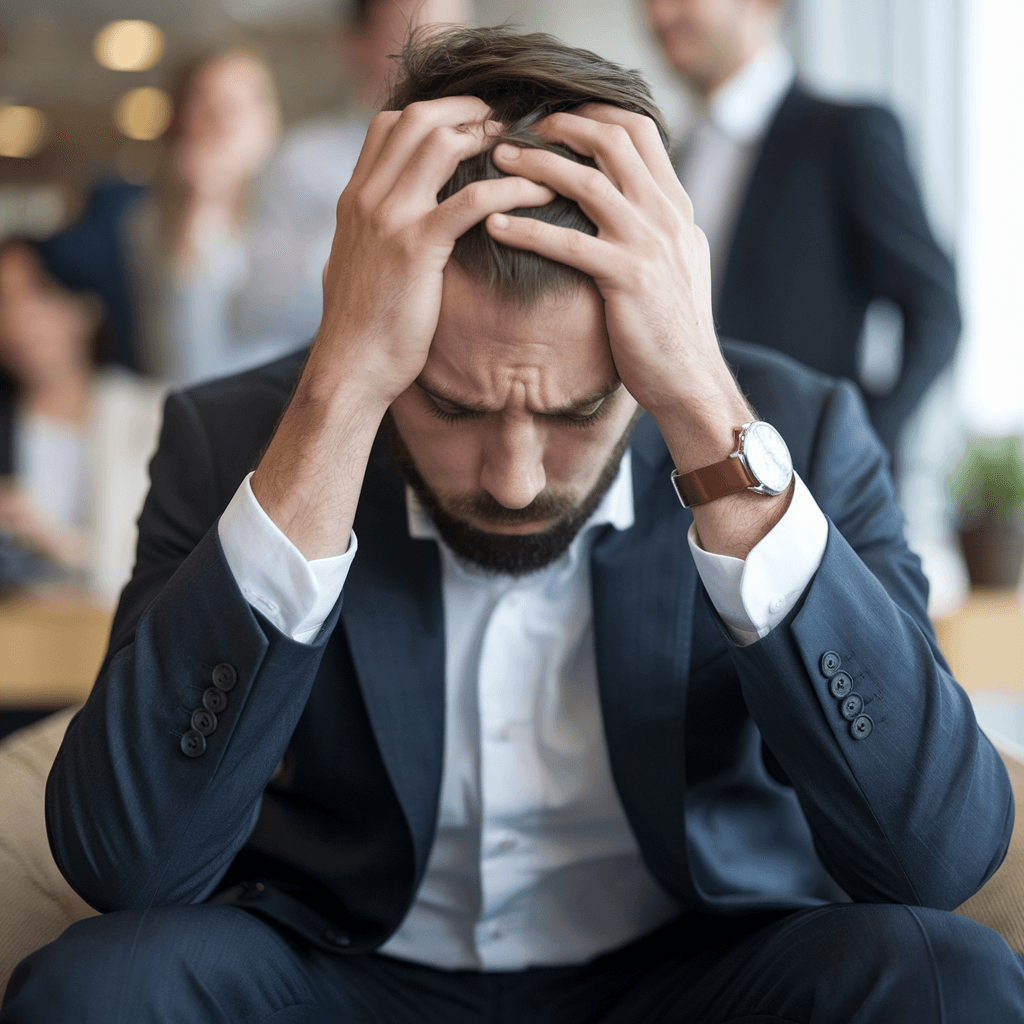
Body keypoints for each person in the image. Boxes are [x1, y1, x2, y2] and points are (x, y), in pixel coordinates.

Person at [4, 26, 1022, 1023]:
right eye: (452, 406)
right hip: (347, 970)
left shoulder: (795, 432)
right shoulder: (233, 439)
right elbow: (126, 864)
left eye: (577, 412)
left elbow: (935, 856)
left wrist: (707, 413)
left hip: (691, 970)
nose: (514, 479)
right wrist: (339, 399)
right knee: (97, 989)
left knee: (948, 979)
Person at [643, 0, 961, 462]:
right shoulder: (674, 155)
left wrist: (856, 452)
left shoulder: (846, 134)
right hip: (676, 474)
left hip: (802, 475)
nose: (658, 14)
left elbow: (936, 309)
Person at [35, 50, 287, 387]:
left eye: (242, 102)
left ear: (270, 122)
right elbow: (186, 368)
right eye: (207, 101)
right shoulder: (143, 223)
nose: (223, 118)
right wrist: (202, 208)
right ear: (180, 120)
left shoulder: (302, 222)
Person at [231, 0, 472, 344]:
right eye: (414, 33)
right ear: (352, 44)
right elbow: (257, 313)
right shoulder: (301, 161)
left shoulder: (493, 157)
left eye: (454, 36)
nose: (443, 56)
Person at [0, 239, 165, 602]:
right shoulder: (10, 424)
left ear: (86, 306)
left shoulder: (150, 414)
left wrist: (55, 541)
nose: (15, 318)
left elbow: (166, 562)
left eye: (36, 294)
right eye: (2, 302)